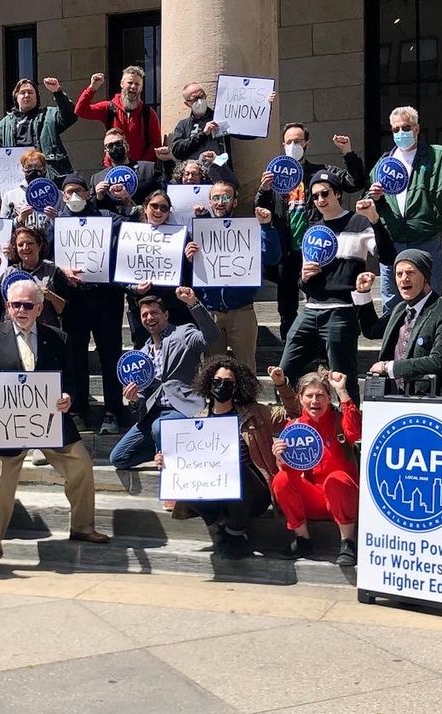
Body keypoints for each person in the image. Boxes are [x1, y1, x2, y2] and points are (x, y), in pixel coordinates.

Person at [0, 279, 110, 574]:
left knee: (81, 464)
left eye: (27, 305)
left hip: (49, 421)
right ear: (7, 306)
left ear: (39, 308)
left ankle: (82, 526)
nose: (21, 309)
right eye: (15, 304)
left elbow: (69, 378)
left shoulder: (57, 337)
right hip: (6, 425)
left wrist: (68, 396)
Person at [154, 356, 283, 558]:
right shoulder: (198, 421)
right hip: (217, 492)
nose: (222, 386)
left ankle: (234, 531)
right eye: (217, 381)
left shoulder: (256, 412)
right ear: (208, 383)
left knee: (235, 466)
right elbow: (187, 463)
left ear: (237, 386)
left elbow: (293, 412)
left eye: (228, 382)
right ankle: (219, 525)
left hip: (252, 491)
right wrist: (167, 461)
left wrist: (281, 385)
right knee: (186, 476)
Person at [256, 123, 368, 340]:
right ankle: (291, 354)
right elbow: (261, 211)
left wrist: (347, 153)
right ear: (283, 145)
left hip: (315, 249)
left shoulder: (320, 173)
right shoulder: (276, 178)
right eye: (289, 142)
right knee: (287, 308)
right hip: (287, 252)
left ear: (307, 143)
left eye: (298, 141)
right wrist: (264, 189)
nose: (293, 145)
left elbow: (355, 182)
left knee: (319, 301)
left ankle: (319, 355)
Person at [369, 107, 442, 312]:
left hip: (426, 241)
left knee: (430, 302)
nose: (400, 133)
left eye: (406, 127)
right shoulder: (384, 164)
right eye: (395, 130)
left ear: (417, 128)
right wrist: (373, 198)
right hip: (391, 242)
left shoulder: (438, 156)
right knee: (392, 306)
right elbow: (370, 198)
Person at [279, 171, 390, 385]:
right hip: (311, 309)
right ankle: (299, 416)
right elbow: (304, 283)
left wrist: (374, 220)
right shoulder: (313, 230)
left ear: (337, 193)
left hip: (342, 310)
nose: (320, 200)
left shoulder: (358, 222)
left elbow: (386, 255)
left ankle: (350, 417)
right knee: (283, 373)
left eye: (325, 193)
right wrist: (303, 277)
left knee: (343, 378)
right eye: (315, 196)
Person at [109, 288, 222, 470]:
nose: (149, 318)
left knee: (159, 427)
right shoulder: (141, 355)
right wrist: (134, 399)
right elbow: (142, 398)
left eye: (154, 312)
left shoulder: (184, 333)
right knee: (118, 458)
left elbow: (212, 336)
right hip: (153, 414)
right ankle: (167, 450)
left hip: (183, 408)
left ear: (166, 315)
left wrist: (193, 304)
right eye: (145, 315)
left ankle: (173, 470)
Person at [52, 174, 129, 435]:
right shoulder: (57, 224)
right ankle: (79, 409)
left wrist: (128, 203)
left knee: (110, 356)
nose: (74, 196)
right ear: (63, 197)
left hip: (106, 299)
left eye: (78, 191)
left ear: (87, 193)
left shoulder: (108, 219)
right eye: (69, 192)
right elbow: (46, 254)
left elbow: (133, 229)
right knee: (75, 357)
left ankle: (113, 411)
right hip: (74, 300)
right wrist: (62, 270)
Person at [183, 182, 281, 371]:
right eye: (216, 198)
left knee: (246, 368)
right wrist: (188, 259)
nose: (221, 202)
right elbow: (187, 275)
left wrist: (267, 227)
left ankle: (247, 402)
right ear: (210, 202)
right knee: (212, 368)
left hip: (242, 311)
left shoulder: (249, 229)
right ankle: (215, 402)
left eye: (226, 198)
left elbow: (272, 257)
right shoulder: (196, 232)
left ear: (234, 202)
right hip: (210, 312)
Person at [271, 370, 361, 566]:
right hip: (312, 498)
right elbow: (287, 472)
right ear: (300, 399)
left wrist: (342, 391)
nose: (315, 401)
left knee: (336, 478)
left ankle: (348, 542)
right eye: (309, 396)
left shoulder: (339, 421)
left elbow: (356, 431)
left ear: (329, 398)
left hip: (342, 496)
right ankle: (302, 539)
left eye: (320, 395)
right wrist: (281, 457)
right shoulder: (294, 428)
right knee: (281, 479)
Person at [356, 249, 442, 394]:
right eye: (399, 274)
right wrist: (363, 294)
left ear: (425, 276)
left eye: (410, 272)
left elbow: (438, 361)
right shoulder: (400, 309)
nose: (404, 279)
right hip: (395, 398)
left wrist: (389, 367)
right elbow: (371, 330)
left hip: (431, 400)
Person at [121, 190, 194, 349]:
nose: (159, 211)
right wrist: (134, 288)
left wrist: (190, 260)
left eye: (164, 208)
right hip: (143, 308)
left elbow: (190, 275)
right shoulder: (130, 235)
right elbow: (120, 274)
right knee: (144, 353)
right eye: (154, 206)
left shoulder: (181, 236)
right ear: (145, 208)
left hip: (174, 307)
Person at [170, 81, 276, 167]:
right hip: (193, 178)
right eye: (195, 98)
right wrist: (203, 134)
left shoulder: (220, 117)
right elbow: (177, 151)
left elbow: (248, 133)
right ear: (187, 103)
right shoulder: (183, 125)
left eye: (202, 96)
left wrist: (263, 105)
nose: (200, 101)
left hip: (220, 178)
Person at [0, 78, 78, 180]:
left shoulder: (49, 115)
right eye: (22, 93)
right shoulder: (3, 125)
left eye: (30, 92)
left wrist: (57, 92)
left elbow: (71, 115)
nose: (27, 95)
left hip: (49, 176)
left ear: (37, 97)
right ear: (16, 97)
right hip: (16, 179)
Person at [0, 225, 70, 328]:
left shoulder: (53, 271)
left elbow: (66, 310)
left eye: (30, 243)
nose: (25, 248)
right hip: (12, 331)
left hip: (44, 332)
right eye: (20, 245)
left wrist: (51, 296)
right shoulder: (9, 272)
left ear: (39, 246)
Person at [75, 67, 162, 164]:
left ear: (141, 88)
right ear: (121, 84)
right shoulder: (109, 108)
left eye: (137, 84)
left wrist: (141, 167)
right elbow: (80, 110)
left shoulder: (148, 113)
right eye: (130, 82)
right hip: (112, 168)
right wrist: (92, 88)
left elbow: (155, 143)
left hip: (138, 171)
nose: (133, 86)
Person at [89, 128, 170, 217]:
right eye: (110, 146)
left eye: (118, 143)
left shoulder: (148, 169)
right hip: (113, 226)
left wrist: (167, 161)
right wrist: (98, 197)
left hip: (143, 224)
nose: (115, 148)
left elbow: (166, 193)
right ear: (106, 152)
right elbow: (91, 211)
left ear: (127, 146)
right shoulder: (97, 178)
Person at [0, 149, 60, 233]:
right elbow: (4, 227)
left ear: (44, 169)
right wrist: (19, 219)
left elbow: (67, 224)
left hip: (50, 243)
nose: (33, 170)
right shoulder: (10, 196)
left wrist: (55, 219)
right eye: (28, 167)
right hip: (23, 244)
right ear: (23, 170)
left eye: (37, 166)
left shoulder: (58, 195)